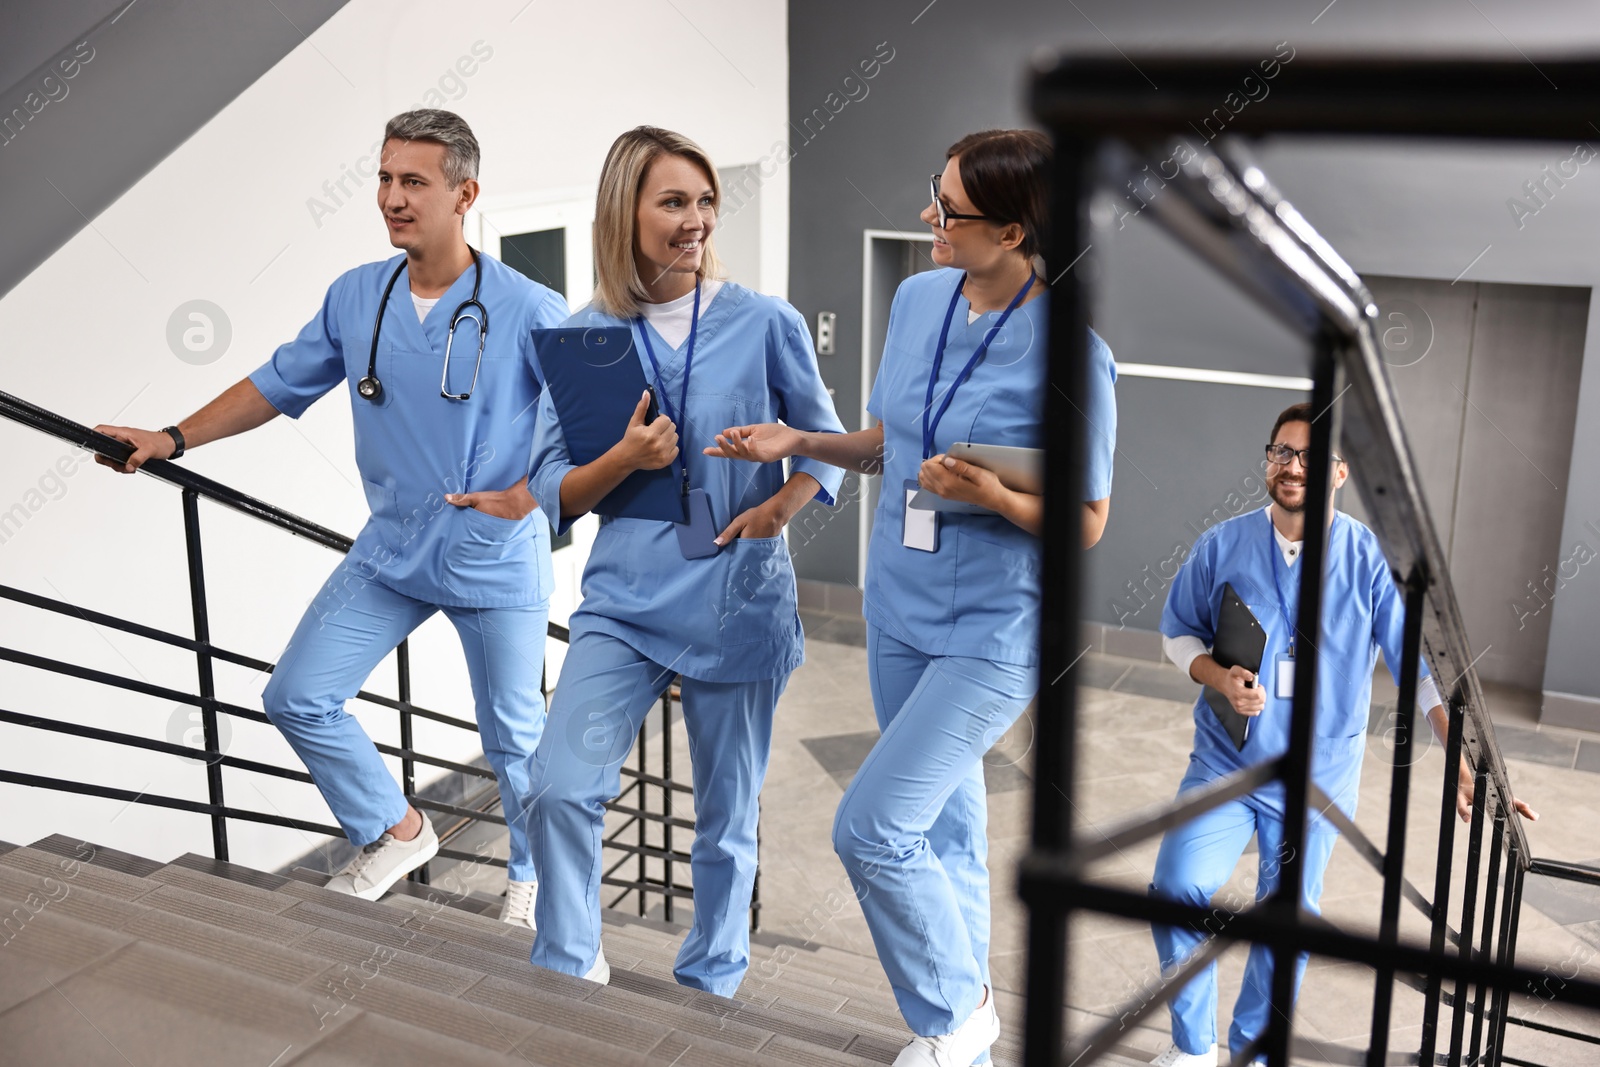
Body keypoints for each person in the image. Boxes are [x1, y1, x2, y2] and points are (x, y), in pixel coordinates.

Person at [92, 110, 568, 921]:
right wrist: (172, 437)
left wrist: (533, 493)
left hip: (492, 556)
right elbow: (275, 386)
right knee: (296, 694)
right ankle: (397, 826)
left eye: (413, 181)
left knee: (516, 740)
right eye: (383, 178)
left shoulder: (532, 308)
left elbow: (591, 432)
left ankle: (536, 882)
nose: (391, 197)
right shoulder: (357, 296)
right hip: (392, 550)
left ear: (465, 194)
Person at [706, 129, 1117, 1067]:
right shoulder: (918, 296)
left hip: (993, 628)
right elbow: (888, 441)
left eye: (951, 212)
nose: (928, 220)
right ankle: (968, 1032)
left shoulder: (1073, 352)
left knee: (874, 827)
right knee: (947, 825)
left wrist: (998, 496)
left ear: (1014, 231)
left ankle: (955, 1010)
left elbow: (1086, 521)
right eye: (932, 195)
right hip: (899, 605)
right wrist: (797, 441)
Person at [518, 126, 845, 994]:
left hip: (735, 600)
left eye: (705, 201)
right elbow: (552, 490)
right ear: (624, 212)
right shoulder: (583, 337)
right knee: (559, 786)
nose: (696, 220)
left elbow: (825, 445)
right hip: (623, 606)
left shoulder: (764, 322)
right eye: (673, 201)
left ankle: (712, 982)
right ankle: (568, 964)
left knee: (726, 821)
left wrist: (779, 506)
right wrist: (624, 460)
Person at [1147, 402, 1539, 1067]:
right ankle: (1192, 1050)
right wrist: (1217, 676)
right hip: (1227, 762)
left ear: (1339, 471)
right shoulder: (1222, 544)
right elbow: (1175, 631)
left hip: (1315, 778)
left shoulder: (1368, 559)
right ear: (1267, 460)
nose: (1292, 466)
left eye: (1310, 456)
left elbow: (1418, 668)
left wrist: (1458, 755)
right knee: (1175, 887)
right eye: (1281, 452)